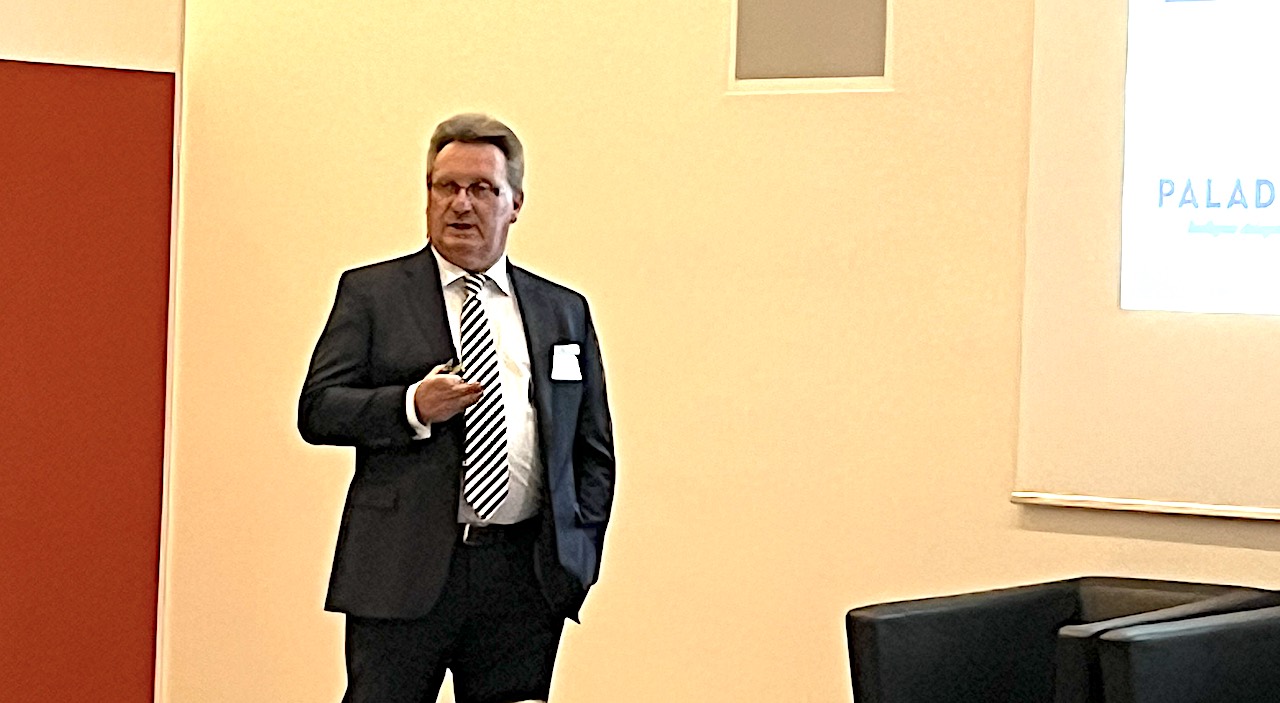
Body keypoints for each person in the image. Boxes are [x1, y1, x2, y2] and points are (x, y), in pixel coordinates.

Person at [298, 113, 616, 703]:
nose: (461, 204)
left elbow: (591, 449)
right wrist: (411, 406)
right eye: (446, 187)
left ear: (514, 204)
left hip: (523, 581)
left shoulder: (563, 310)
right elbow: (318, 409)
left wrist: (577, 555)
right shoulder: (372, 294)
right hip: (399, 575)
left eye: (482, 189)